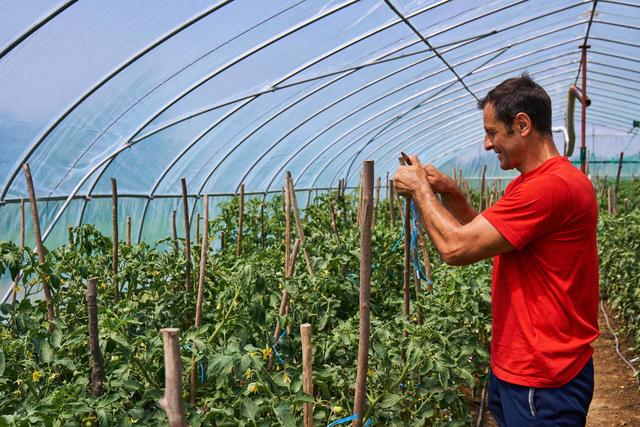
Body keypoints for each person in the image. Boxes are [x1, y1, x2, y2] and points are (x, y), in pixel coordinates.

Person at [393, 74, 599, 426]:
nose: (488, 144)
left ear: (522, 124)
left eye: (492, 132)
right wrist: (452, 193)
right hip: (521, 367)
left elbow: (456, 248)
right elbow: (486, 238)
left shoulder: (549, 188)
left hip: (543, 377)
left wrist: (420, 192)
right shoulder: (532, 183)